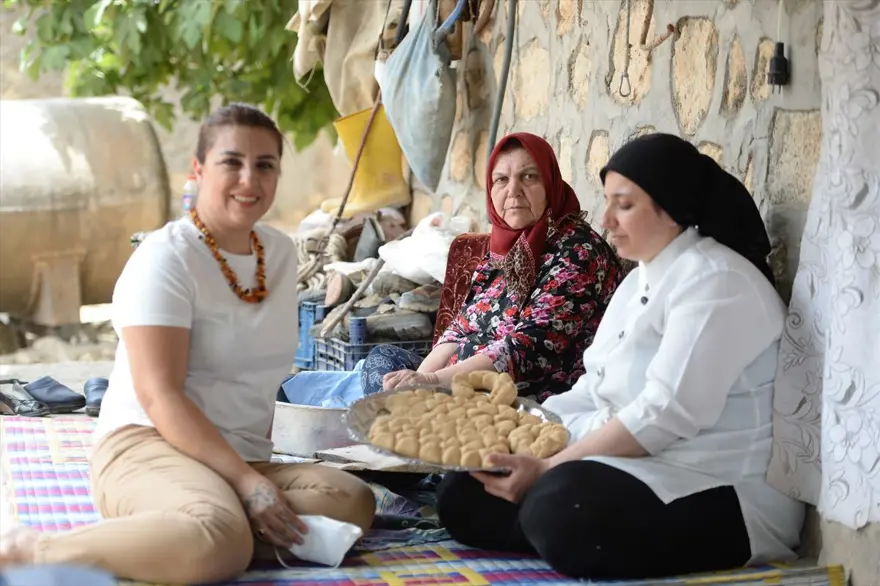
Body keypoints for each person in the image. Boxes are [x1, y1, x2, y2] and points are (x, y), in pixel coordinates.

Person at [0, 104, 375, 585]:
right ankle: (33, 550)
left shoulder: (279, 254)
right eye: (231, 162)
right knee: (217, 538)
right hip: (146, 446)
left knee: (351, 501)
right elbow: (160, 396)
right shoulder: (165, 258)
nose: (249, 178)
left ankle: (197, 530)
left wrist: (249, 472)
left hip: (239, 456)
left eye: (265, 165)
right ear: (198, 170)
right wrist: (247, 484)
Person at [434, 133, 805, 580]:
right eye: (607, 202)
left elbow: (664, 413)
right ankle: (550, 524)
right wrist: (523, 435)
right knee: (465, 487)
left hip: (716, 485)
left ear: (670, 207)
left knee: (560, 506)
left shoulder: (718, 282)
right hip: (626, 463)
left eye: (623, 205)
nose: (606, 219)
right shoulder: (639, 281)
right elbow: (593, 386)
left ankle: (551, 523)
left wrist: (549, 465)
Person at [363, 132, 623, 402]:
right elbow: (461, 327)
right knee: (382, 362)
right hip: (458, 380)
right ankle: (412, 411)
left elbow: (527, 349)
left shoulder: (578, 252)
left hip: (525, 392)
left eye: (529, 176)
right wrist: (420, 379)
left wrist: (432, 382)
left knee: (395, 399)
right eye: (501, 179)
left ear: (550, 184)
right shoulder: (505, 248)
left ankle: (411, 414)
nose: (513, 190)